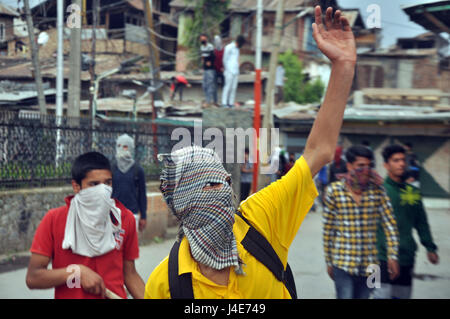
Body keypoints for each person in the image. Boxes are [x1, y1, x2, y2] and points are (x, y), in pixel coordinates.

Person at [144, 6, 359, 299]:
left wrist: (344, 65)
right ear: (182, 198)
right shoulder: (166, 283)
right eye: (211, 183)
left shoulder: (261, 218)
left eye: (225, 181)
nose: (225, 190)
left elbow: (319, 151)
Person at [26, 152, 145, 299]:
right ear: (76, 187)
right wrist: (77, 272)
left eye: (107, 183)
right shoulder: (54, 219)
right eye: (94, 184)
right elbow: (33, 277)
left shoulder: (123, 218)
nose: (102, 190)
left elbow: (130, 274)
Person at [322, 145, 400, 299]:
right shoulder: (334, 191)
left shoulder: (379, 191)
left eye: (369, 165)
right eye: (360, 166)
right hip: (342, 263)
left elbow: (390, 224)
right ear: (349, 166)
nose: (366, 170)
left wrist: (392, 256)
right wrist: (329, 261)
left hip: (371, 266)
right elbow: (328, 229)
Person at [373, 145, 439, 299]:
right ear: (386, 165)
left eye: (403, 160)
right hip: (376, 258)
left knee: (402, 296)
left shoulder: (412, 192)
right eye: (396, 160)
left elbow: (421, 222)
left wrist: (430, 247)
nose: (401, 164)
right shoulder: (377, 192)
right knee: (376, 294)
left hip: (405, 256)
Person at [112, 134, 147, 233]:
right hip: (114, 213)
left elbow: (142, 194)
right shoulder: (112, 168)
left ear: (131, 148)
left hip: (132, 213)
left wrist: (143, 216)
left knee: (130, 245)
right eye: (119, 146)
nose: (121, 149)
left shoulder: (138, 170)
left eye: (125, 146)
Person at [222, 35, 245, 108]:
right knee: (227, 87)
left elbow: (236, 60)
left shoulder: (237, 49)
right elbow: (224, 59)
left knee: (234, 87)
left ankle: (231, 103)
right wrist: (227, 68)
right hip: (229, 70)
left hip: (235, 71)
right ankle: (224, 103)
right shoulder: (229, 47)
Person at [199, 34, 216, 108]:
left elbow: (213, 56)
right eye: (201, 39)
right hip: (205, 69)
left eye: (204, 39)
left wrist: (210, 62)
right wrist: (203, 63)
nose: (203, 40)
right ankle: (207, 100)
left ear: (206, 39)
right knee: (204, 86)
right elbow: (202, 56)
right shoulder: (202, 47)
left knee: (209, 85)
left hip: (210, 69)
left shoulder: (210, 46)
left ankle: (208, 101)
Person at [213, 35, 225, 105]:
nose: (217, 42)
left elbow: (225, 59)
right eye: (216, 41)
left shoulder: (224, 50)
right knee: (215, 87)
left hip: (223, 71)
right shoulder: (214, 51)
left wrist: (224, 67)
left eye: (218, 41)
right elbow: (213, 61)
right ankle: (215, 101)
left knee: (224, 86)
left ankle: (224, 101)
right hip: (215, 70)